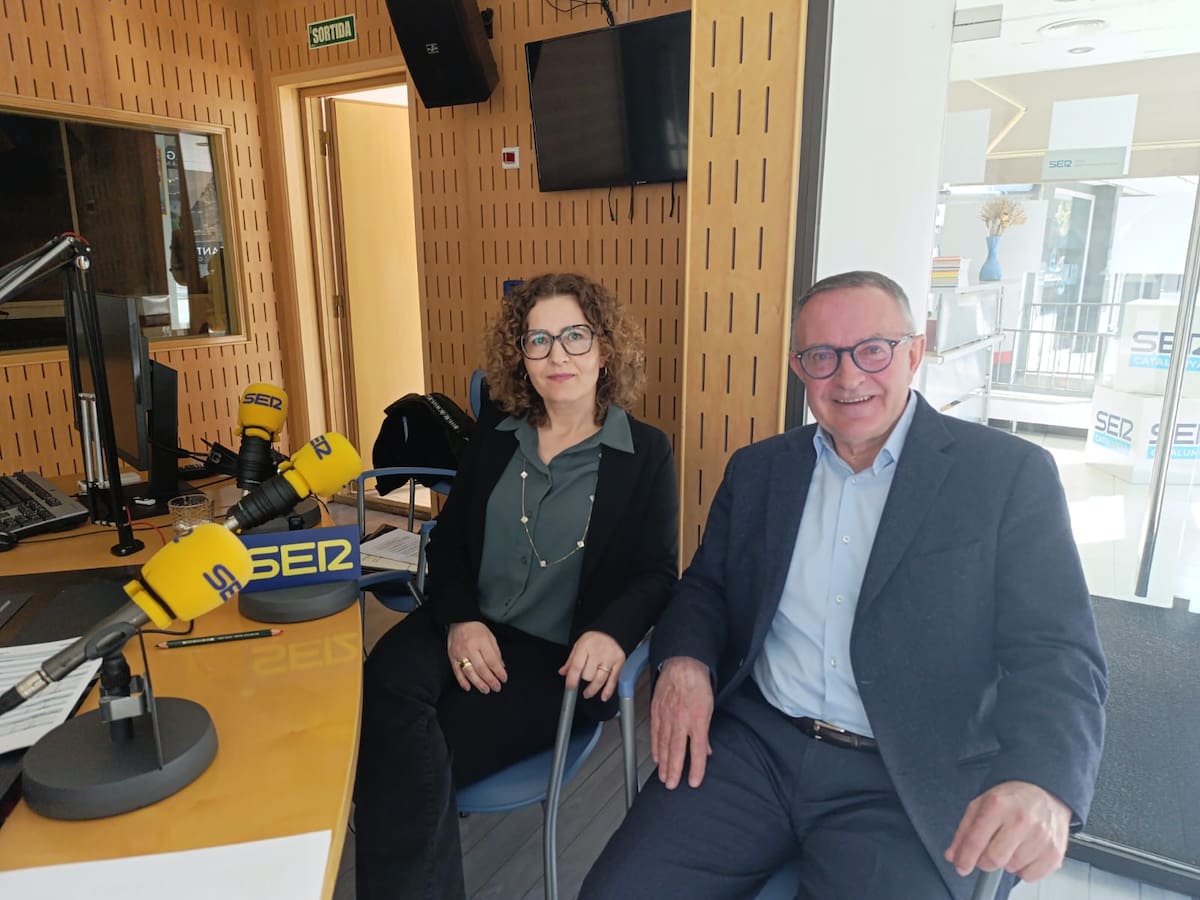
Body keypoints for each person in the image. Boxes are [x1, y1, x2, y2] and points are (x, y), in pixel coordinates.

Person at [581, 270, 1107, 900]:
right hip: (756, 749)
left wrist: (1042, 780)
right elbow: (705, 588)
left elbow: (1057, 650)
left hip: (905, 776)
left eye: (873, 350)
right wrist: (686, 661)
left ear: (914, 352)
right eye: (823, 356)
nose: (849, 377)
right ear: (799, 369)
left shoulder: (1007, 475)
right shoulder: (759, 470)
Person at [354, 272, 680, 900]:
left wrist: (613, 634)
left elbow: (657, 573)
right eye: (539, 340)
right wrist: (460, 620)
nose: (558, 355)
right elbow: (448, 544)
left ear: (605, 348)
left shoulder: (646, 453)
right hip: (462, 623)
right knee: (383, 691)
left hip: (554, 657)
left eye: (575, 336)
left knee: (399, 761)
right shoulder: (497, 435)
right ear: (520, 355)